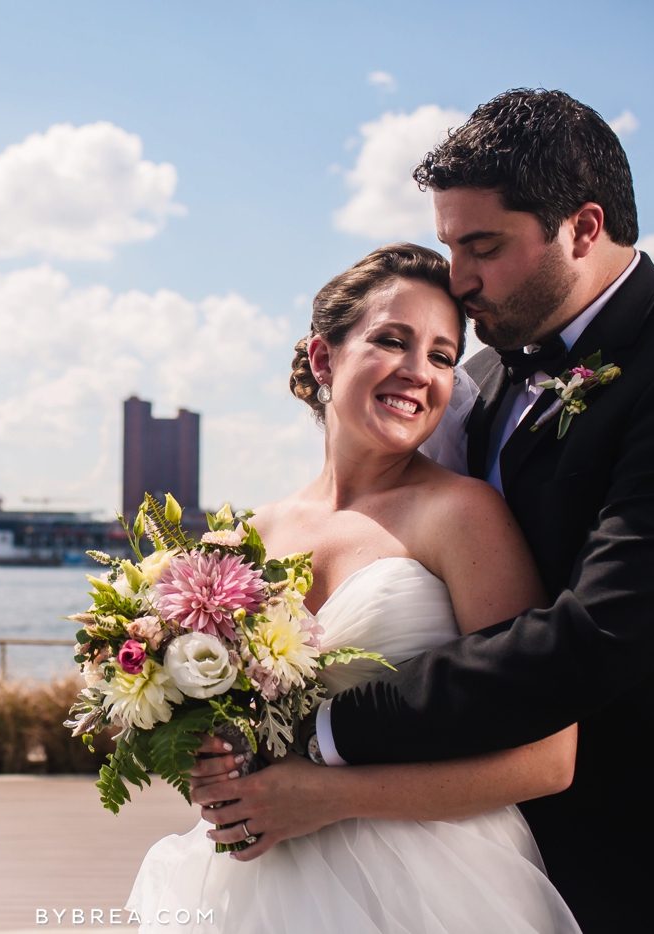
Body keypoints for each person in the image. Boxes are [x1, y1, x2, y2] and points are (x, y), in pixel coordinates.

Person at [188, 89, 654, 933]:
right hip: (486, 860)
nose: (459, 279)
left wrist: (320, 726)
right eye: (452, 246)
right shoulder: (483, 382)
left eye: (483, 247)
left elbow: (595, 636)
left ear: (583, 228)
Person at [128, 242, 583, 932]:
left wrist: (329, 798)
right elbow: (224, 729)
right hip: (255, 886)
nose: (418, 372)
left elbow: (548, 759)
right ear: (323, 358)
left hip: (432, 887)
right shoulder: (247, 538)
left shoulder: (463, 517)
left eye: (440, 355)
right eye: (391, 341)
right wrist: (213, 765)